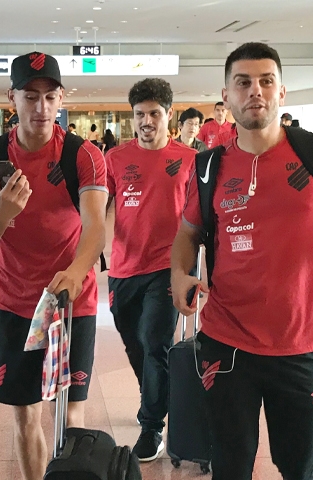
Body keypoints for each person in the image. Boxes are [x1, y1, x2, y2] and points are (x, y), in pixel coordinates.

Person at [171, 42, 313, 480]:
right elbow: (187, 234)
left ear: (282, 92)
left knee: (298, 467)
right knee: (230, 466)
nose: (256, 91)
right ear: (227, 96)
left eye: (266, 81)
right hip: (225, 341)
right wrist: (179, 274)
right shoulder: (208, 167)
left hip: (301, 345)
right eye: (243, 83)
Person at [0, 52, 107, 480]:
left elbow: (96, 227)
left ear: (63, 97)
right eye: (31, 96)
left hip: (70, 302)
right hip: (14, 302)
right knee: (26, 415)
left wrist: (76, 271)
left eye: (50, 96)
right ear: (12, 98)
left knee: (70, 416)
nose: (41, 108)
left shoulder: (82, 155)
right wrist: (2, 212)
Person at [106, 78, 197, 462]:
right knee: (136, 345)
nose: (146, 121)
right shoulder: (115, 159)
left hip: (168, 267)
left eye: (154, 114)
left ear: (169, 115)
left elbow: (200, 217)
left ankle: (152, 426)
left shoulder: (190, 160)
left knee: (154, 340)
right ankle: (155, 397)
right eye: (139, 115)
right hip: (123, 268)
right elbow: (99, 209)